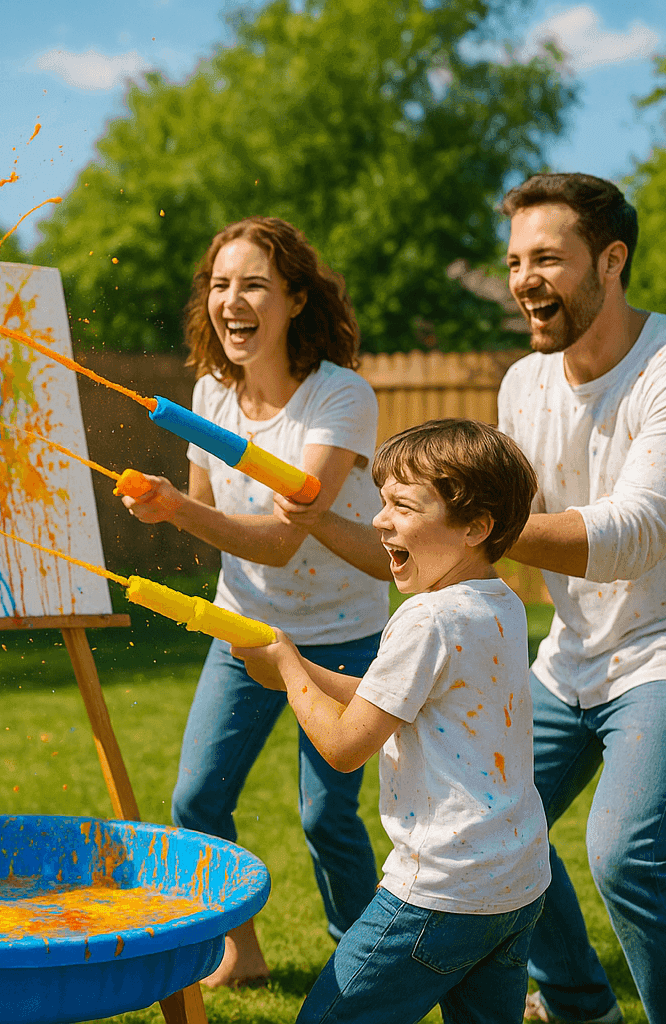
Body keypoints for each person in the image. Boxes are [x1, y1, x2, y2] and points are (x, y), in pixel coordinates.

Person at [495, 174, 666, 1024]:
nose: (525, 278)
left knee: (626, 854)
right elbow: (500, 536)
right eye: (517, 259)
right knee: (486, 812)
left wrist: (468, 525)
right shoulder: (523, 386)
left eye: (548, 258)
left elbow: (630, 535)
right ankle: (576, 1000)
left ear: (612, 258)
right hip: (571, 654)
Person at [122, 216, 388, 985]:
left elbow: (282, 536)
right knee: (197, 798)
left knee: (327, 815)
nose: (231, 301)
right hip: (243, 627)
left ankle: (362, 966)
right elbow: (215, 510)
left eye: (254, 286)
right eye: (219, 284)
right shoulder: (209, 394)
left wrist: (177, 507)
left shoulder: (341, 397)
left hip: (343, 632)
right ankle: (240, 953)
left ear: (297, 299)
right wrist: (170, 504)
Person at [235, 417, 548, 1024]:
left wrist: (288, 671)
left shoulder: (427, 618)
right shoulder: (500, 602)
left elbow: (346, 747)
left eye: (402, 506)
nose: (379, 520)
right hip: (515, 884)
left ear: (475, 528)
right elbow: (393, 696)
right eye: (383, 503)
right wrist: (297, 664)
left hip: (440, 891)